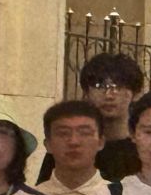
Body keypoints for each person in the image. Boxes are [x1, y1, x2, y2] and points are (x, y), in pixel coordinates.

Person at [35, 53, 143, 183]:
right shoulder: (72, 146)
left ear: (135, 93)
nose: (109, 95)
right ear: (86, 92)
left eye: (118, 87)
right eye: (99, 86)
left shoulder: (144, 148)